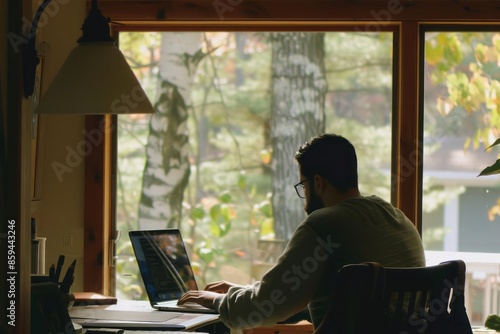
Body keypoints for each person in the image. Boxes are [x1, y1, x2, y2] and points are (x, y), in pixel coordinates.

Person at [178, 133, 425, 330]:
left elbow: (266, 307)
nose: (304, 197)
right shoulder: (396, 217)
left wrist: (217, 301)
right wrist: (242, 293)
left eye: (303, 185)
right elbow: (323, 303)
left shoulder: (324, 225)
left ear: (318, 183)